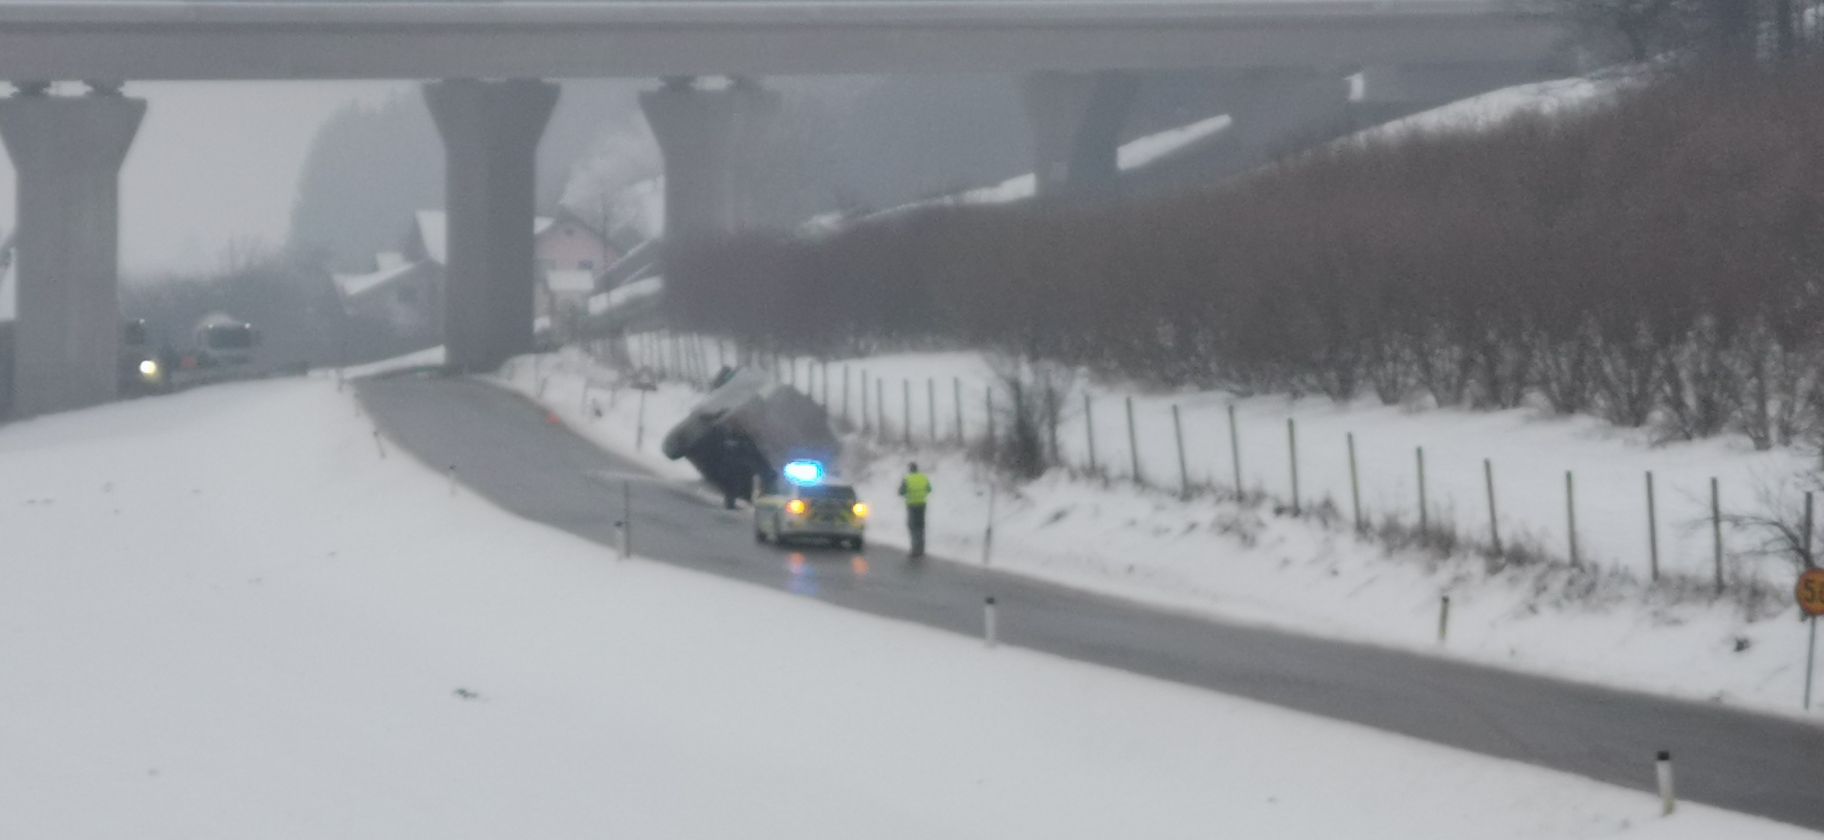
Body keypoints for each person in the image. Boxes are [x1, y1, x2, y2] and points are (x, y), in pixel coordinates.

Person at [898, 462, 932, 558]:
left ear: (910, 469)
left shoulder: (907, 479)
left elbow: (901, 492)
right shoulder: (923, 477)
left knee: (913, 527)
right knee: (921, 526)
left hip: (912, 505)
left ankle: (914, 550)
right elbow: (929, 489)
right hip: (922, 505)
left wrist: (908, 493)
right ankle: (921, 549)